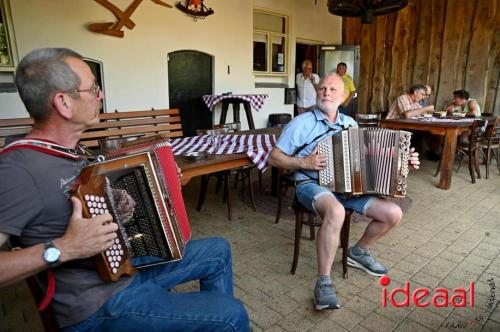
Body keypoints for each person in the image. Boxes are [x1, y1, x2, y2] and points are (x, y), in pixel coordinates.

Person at [0, 48, 249, 331]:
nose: (101, 95)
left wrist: (160, 185)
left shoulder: (71, 151)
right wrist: (63, 248)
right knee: (230, 315)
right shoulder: (18, 170)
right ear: (63, 103)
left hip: (126, 268)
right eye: (93, 88)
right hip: (97, 304)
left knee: (218, 250)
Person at [268, 73, 420, 310]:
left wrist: (402, 163)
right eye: (322, 89)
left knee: (393, 214)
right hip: (310, 184)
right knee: (336, 212)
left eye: (332, 90)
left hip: (348, 188)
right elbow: (273, 158)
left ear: (343, 97)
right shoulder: (302, 122)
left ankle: (358, 251)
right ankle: (324, 281)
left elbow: (368, 161)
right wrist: (303, 163)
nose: (326, 93)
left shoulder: (350, 124)